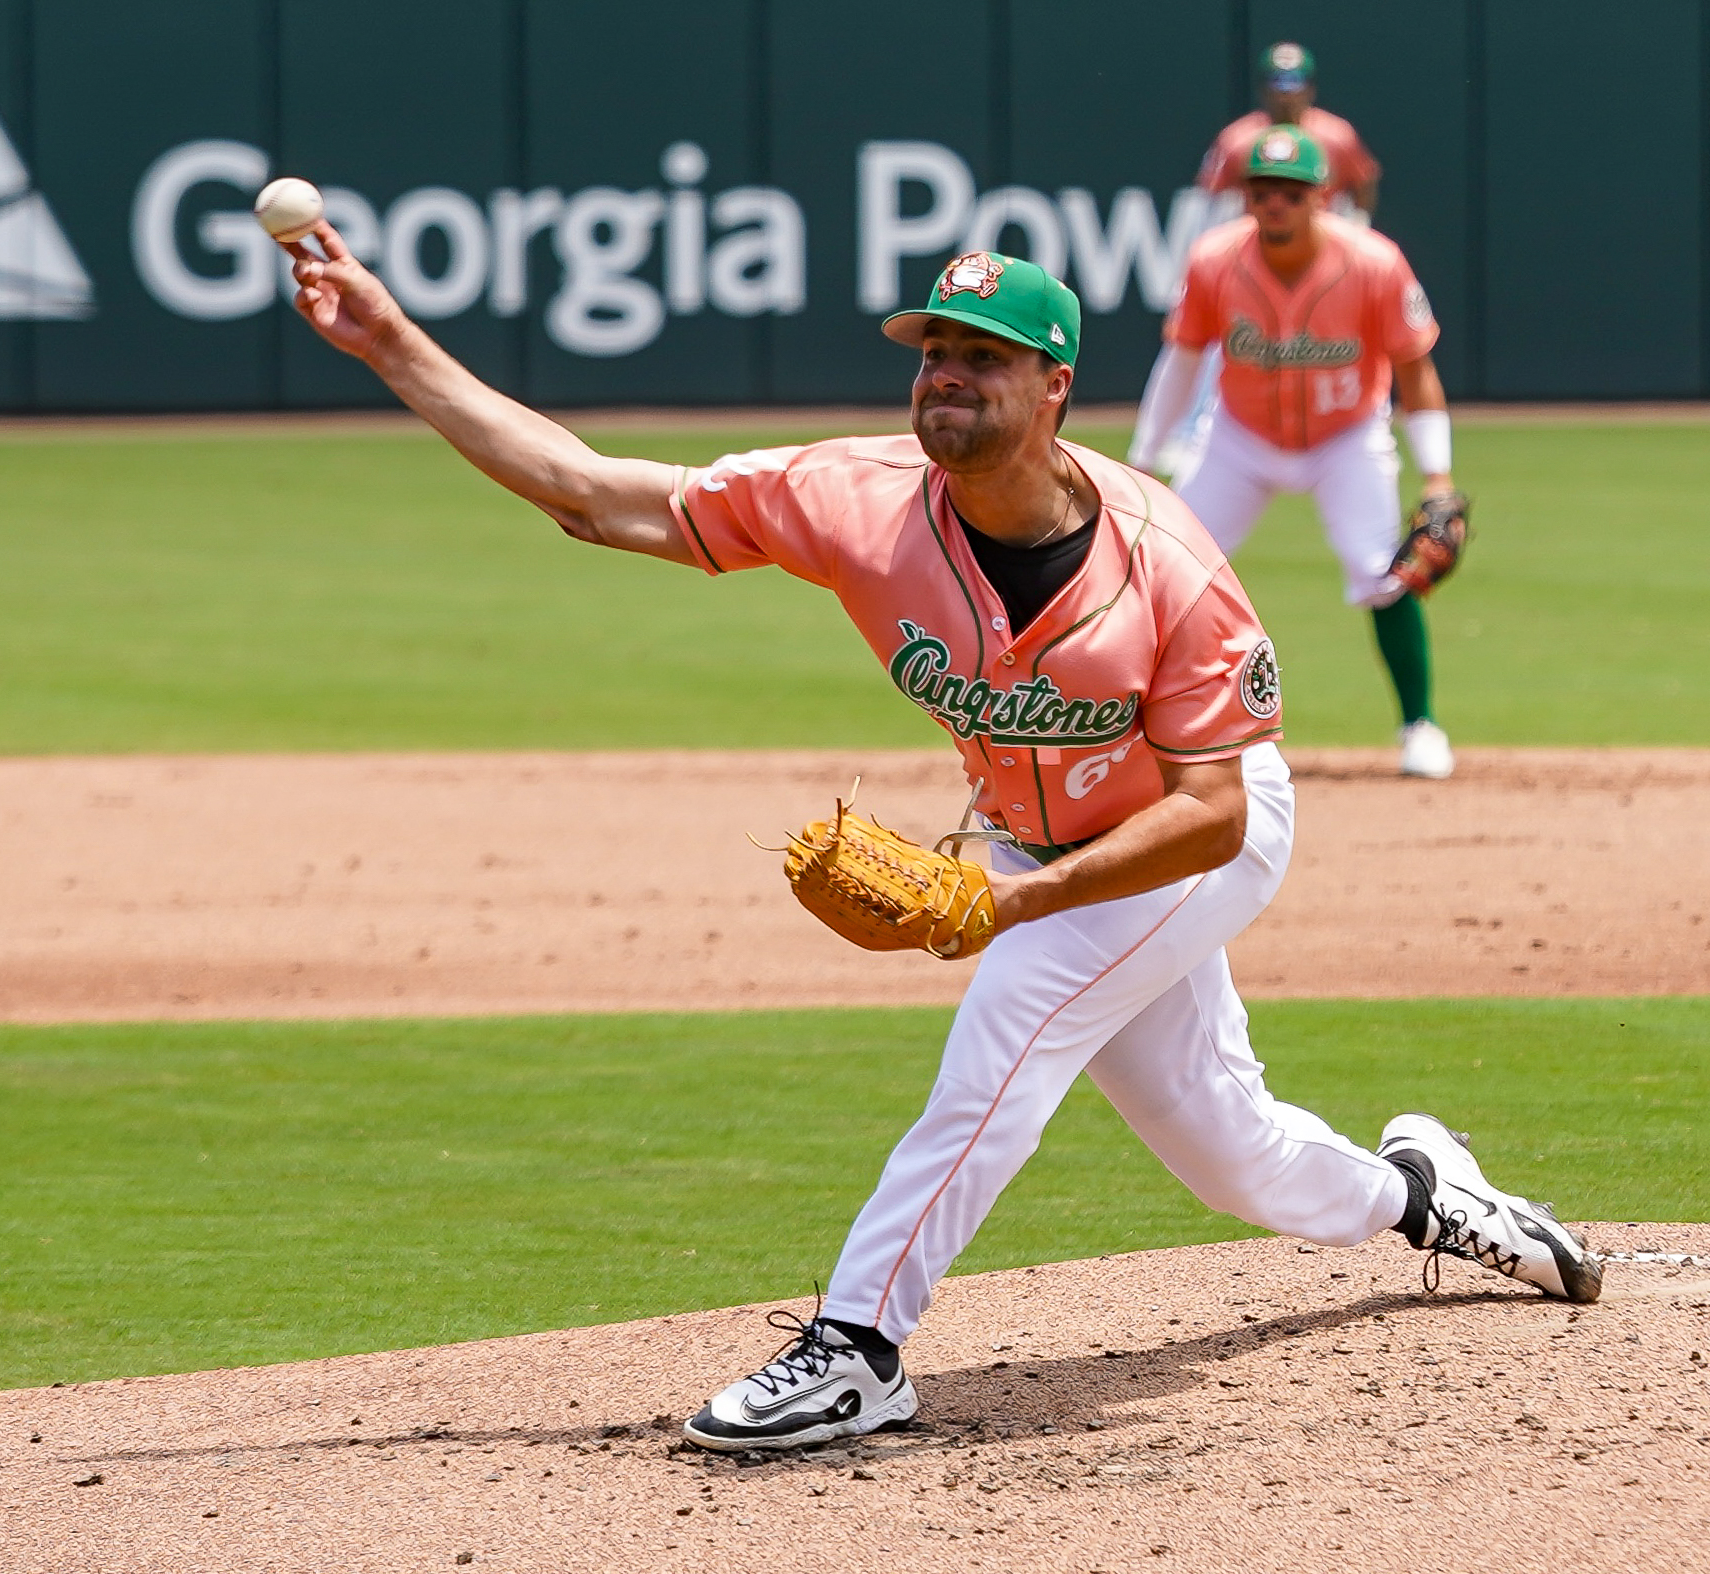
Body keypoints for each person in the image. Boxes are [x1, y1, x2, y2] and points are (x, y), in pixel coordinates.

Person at [279, 223, 1599, 1453]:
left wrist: (1010, 908)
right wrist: (390, 337)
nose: (945, 378)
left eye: (982, 358)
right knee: (1227, 1150)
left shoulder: (1170, 569)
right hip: (1034, 841)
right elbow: (590, 494)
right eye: (933, 353)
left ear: (1053, 387)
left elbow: (1209, 810)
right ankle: (1423, 1194)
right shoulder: (849, 496)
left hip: (1190, 835)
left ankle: (858, 1345)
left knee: (1004, 1037)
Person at [1132, 126, 1462, 780]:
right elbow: (1181, 362)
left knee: (1380, 574)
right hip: (1239, 435)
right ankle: (1140, 732)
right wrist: (1142, 466)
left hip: (1347, 435)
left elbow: (1414, 368)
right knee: (1166, 569)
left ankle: (1419, 726)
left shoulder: (1372, 262)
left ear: (1323, 197)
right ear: (1245, 197)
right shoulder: (1212, 260)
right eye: (1262, 191)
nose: (1274, 203)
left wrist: (1436, 476)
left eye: (1290, 191)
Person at [1197, 42, 1381, 226]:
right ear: (1263, 90)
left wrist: (1359, 224)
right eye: (1277, 81)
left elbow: (1364, 182)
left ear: (1310, 89)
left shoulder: (1338, 135)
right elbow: (1210, 194)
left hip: (1320, 238)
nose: (1285, 93)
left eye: (1294, 81)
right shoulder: (1236, 138)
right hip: (1258, 236)